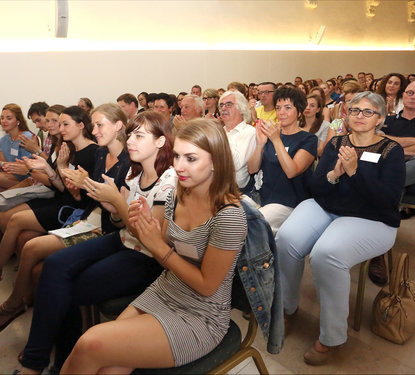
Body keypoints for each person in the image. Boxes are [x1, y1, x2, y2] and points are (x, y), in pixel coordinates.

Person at [60, 119, 247, 373]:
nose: (179, 167)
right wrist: (146, 226)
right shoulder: (177, 194)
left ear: (216, 160)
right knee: (105, 366)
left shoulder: (229, 216)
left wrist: (157, 245)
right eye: (177, 156)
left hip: (201, 314)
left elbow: (206, 285)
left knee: (89, 344)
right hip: (166, 290)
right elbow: (168, 248)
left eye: (191, 159)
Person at [14, 111, 177, 374]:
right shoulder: (135, 175)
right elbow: (119, 224)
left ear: (160, 142)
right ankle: (44, 359)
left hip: (146, 257)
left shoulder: (168, 181)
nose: (131, 141)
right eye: (132, 135)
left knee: (63, 289)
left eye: (139, 136)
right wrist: (110, 204)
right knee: (54, 265)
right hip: (123, 239)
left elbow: (152, 239)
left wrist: (115, 201)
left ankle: (43, 362)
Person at [276, 92, 405, 365]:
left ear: (380, 118)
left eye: (367, 112)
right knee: (286, 238)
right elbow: (315, 188)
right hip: (327, 207)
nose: (359, 116)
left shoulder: (391, 151)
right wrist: (335, 174)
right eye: (354, 110)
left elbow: (387, 200)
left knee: (327, 253)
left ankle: (332, 337)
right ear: (346, 114)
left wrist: (355, 172)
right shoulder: (336, 143)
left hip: (371, 219)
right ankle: (287, 308)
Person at [0, 103, 130, 331]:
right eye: (95, 125)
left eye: (63, 123)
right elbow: (77, 194)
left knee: (29, 242)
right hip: (87, 216)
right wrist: (54, 167)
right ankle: (18, 302)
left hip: (95, 223)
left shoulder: (112, 157)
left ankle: (16, 304)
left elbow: (82, 199)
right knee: (23, 236)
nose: (58, 128)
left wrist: (75, 180)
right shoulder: (99, 153)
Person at [0, 106, 98, 281]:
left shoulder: (92, 151)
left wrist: (38, 168)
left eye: (62, 123)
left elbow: (77, 196)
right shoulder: (68, 146)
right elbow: (61, 185)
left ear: (81, 125)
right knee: (10, 218)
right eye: (52, 121)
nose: (57, 127)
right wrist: (47, 168)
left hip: (68, 206)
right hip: (59, 197)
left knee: (14, 221)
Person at [247, 87, 317, 234]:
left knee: (255, 224)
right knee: (229, 215)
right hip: (261, 195)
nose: (281, 112)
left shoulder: (308, 139)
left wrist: (276, 140)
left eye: (287, 108)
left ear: (299, 111)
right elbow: (252, 169)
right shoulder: (271, 134)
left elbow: (292, 171)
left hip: (288, 201)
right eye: (278, 108)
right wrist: (260, 144)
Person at [219, 90, 256, 190]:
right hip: (215, 186)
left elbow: (236, 164)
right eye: (221, 105)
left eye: (228, 104)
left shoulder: (250, 132)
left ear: (241, 109)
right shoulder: (220, 131)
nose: (223, 108)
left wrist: (223, 136)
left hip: (237, 192)